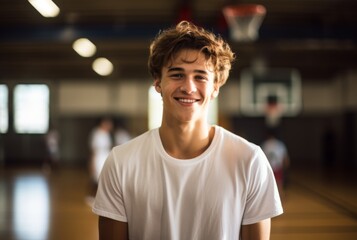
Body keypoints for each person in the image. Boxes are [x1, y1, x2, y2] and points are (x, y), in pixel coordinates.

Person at [92, 21, 283, 240]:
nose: (188, 87)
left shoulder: (250, 161)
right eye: (177, 74)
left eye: (200, 76)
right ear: (158, 82)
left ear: (215, 88)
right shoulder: (121, 162)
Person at [87, 117, 114, 199]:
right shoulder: (97, 133)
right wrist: (92, 163)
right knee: (96, 179)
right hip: (98, 160)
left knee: (104, 179)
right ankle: (91, 196)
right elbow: (94, 150)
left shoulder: (106, 134)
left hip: (105, 159)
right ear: (103, 123)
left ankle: (99, 198)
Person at [261, 128, 290, 200]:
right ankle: (280, 198)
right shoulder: (280, 144)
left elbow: (261, 157)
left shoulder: (265, 144)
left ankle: (268, 199)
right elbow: (285, 158)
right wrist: (286, 168)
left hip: (268, 168)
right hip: (278, 167)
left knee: (268, 184)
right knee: (279, 184)